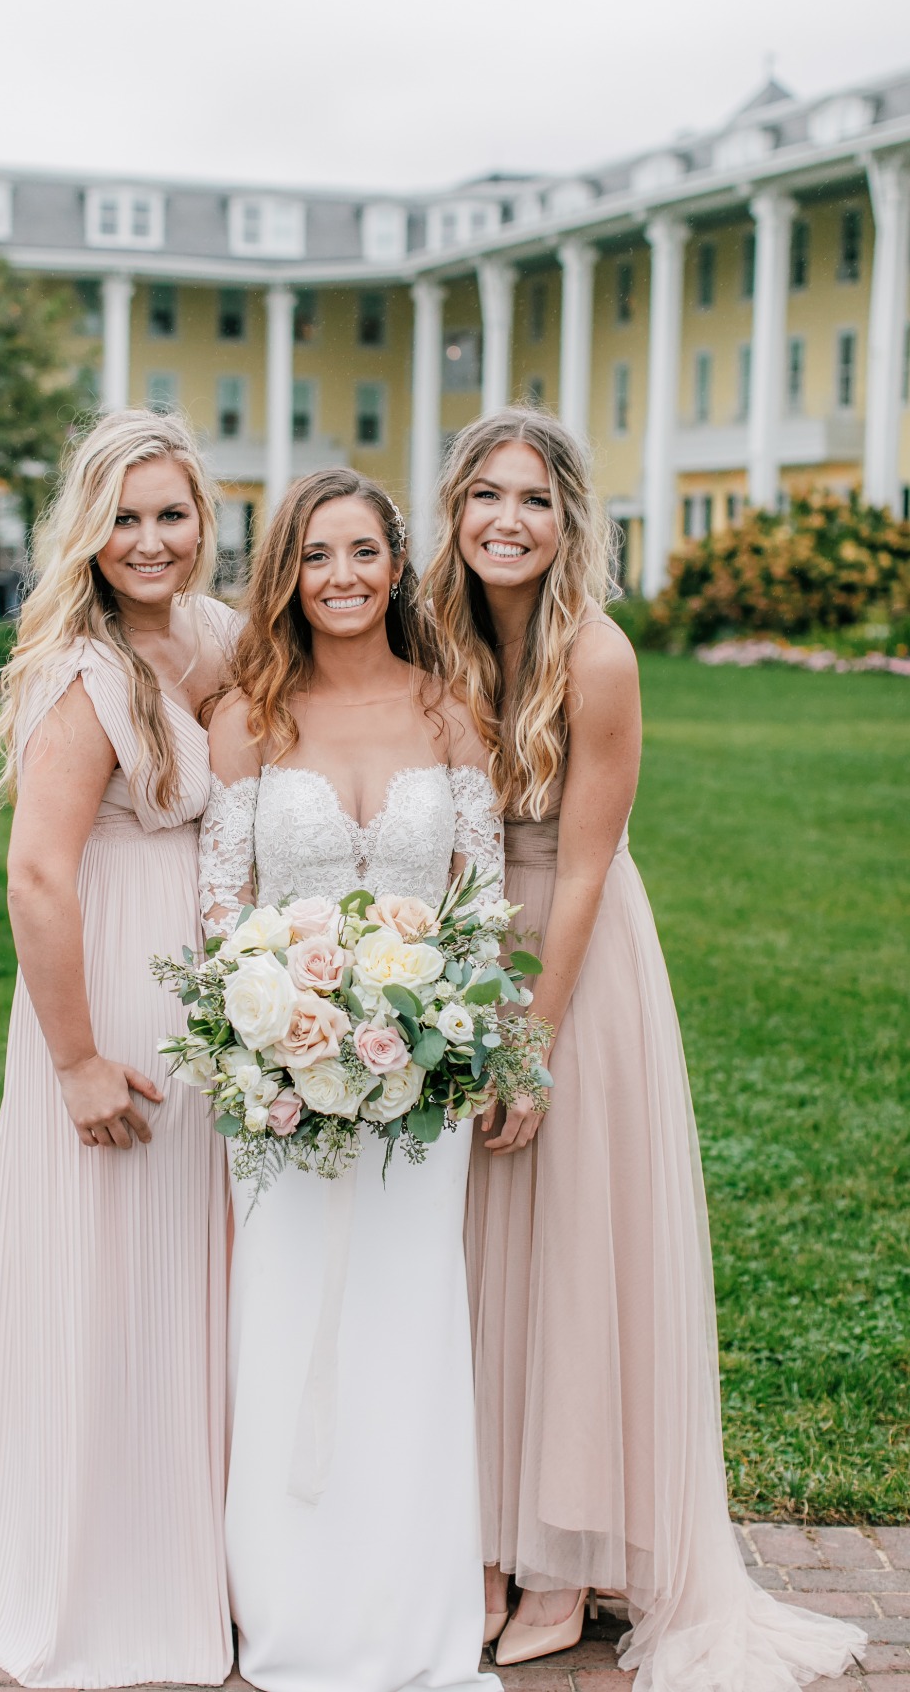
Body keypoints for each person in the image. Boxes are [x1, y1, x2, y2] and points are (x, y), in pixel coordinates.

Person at [422, 406, 866, 1690]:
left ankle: (563, 1558)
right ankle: (483, 1544)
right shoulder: (434, 643)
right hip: (455, 947)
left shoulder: (597, 656)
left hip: (577, 955)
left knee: (567, 1251)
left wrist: (534, 1038)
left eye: (537, 499)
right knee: (465, 1256)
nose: (510, 519)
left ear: (569, 525)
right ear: (455, 512)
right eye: (487, 495)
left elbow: (592, 858)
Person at [0, 409, 237, 1690]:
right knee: (112, 1262)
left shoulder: (218, 637)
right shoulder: (82, 666)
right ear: (87, 532)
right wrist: (77, 1060)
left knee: (199, 1270)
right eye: (124, 517)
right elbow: (39, 876)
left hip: (209, 987)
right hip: (105, 987)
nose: (150, 541)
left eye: (172, 514)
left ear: (204, 521)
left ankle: (208, 1546)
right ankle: (101, 1556)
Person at [199, 468, 502, 1692]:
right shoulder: (249, 718)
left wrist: (459, 1035)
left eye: (364, 552)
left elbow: (480, 909)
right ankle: (293, 1609)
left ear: (398, 566)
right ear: (287, 571)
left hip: (425, 1092)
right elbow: (223, 913)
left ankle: (410, 1612)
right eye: (317, 555)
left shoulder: (451, 713)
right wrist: (283, 1034)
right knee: (285, 1325)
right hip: (279, 1087)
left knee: (412, 1328)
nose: (342, 576)